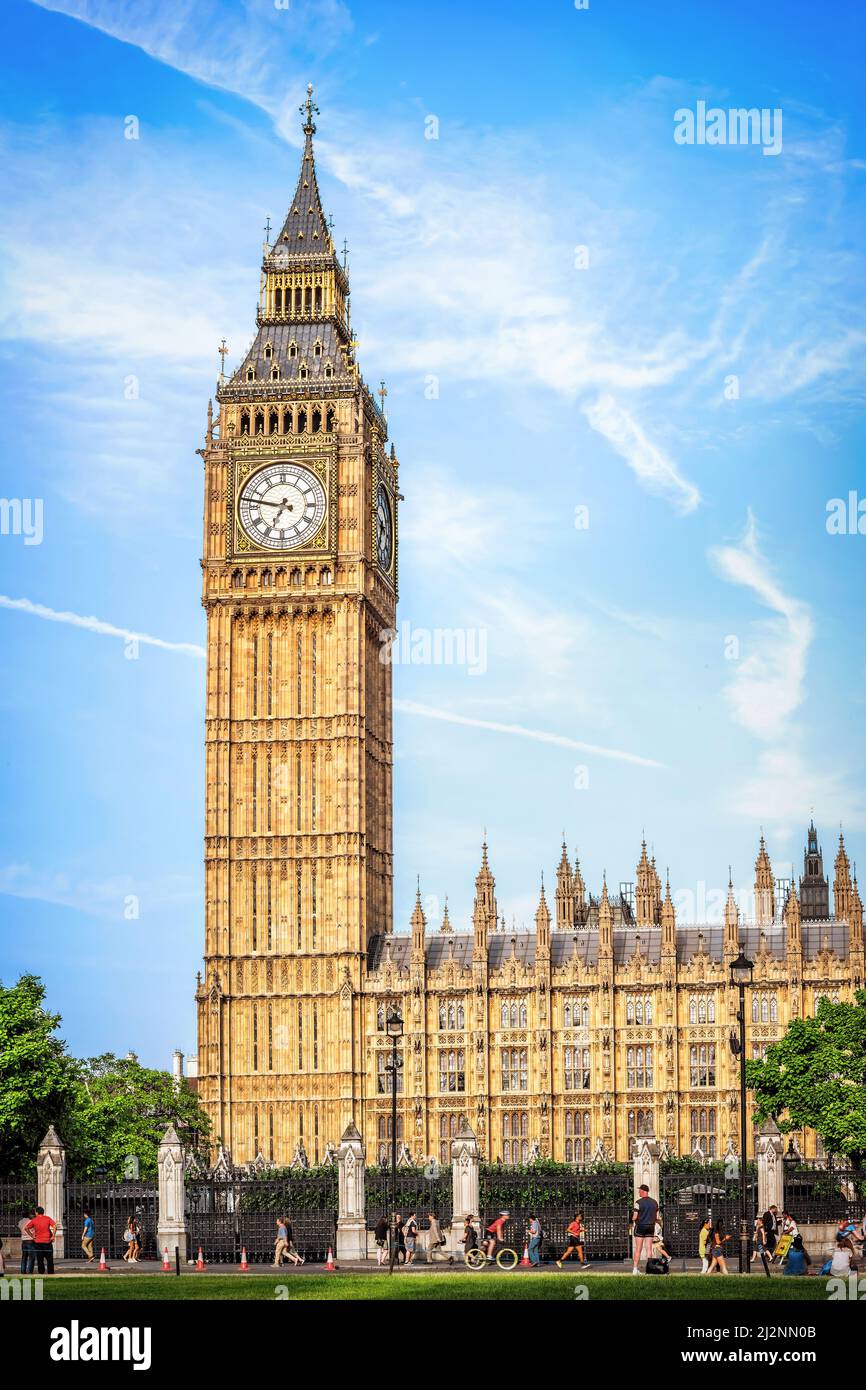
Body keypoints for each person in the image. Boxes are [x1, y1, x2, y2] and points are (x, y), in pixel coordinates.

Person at [631, 1184, 659, 1275]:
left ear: (643, 1191)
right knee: (649, 1249)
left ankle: (635, 1269)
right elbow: (657, 1217)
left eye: (639, 1190)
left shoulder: (638, 1202)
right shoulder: (655, 1202)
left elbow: (635, 1217)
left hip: (640, 1226)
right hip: (651, 1226)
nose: (638, 1192)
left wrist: (632, 1219)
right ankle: (650, 1269)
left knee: (638, 1249)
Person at [24, 1207, 56, 1275]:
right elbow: (54, 1225)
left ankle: (41, 1272)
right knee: (50, 1259)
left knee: (40, 1259)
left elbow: (26, 1228)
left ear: (36, 1212)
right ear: (43, 1212)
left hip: (38, 1242)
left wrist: (32, 1236)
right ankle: (50, 1272)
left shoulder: (34, 1220)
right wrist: (53, 1235)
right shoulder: (47, 1218)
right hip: (47, 1242)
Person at [19, 1209, 37, 1276]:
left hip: (23, 1240)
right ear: (28, 1215)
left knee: (24, 1257)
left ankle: (23, 1271)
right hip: (30, 1240)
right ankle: (30, 1271)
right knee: (31, 1257)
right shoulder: (30, 1221)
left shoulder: (20, 1222)